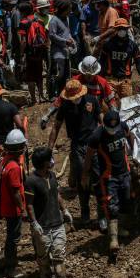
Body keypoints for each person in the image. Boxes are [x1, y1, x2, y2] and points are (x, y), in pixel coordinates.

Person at [49, 80, 101, 224]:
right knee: (81, 179)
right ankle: (85, 213)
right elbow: (56, 126)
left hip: (94, 143)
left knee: (98, 178)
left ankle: (102, 215)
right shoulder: (65, 106)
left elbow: (100, 119)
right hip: (77, 145)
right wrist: (49, 149)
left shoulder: (91, 100)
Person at [83, 110, 134, 254]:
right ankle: (113, 239)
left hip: (124, 172)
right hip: (108, 176)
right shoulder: (96, 136)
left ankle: (121, 228)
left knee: (125, 200)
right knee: (111, 205)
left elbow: (130, 136)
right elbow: (88, 157)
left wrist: (133, 152)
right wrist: (85, 174)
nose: (113, 130)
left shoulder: (123, 127)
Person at [25, 146, 75, 278]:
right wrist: (34, 222)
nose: (52, 161)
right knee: (43, 256)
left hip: (57, 223)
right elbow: (29, 205)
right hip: (42, 226)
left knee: (59, 252)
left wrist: (64, 210)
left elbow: (57, 194)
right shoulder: (31, 181)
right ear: (44, 163)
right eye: (49, 159)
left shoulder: (52, 176)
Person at [0, 129, 27, 278]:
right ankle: (10, 266)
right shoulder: (14, 168)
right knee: (13, 237)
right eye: (22, 146)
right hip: (13, 208)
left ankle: (10, 261)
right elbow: (16, 192)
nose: (24, 148)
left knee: (11, 235)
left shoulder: (5, 161)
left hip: (6, 205)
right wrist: (23, 209)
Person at [96, 18, 140, 102]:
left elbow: (138, 62)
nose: (122, 30)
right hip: (110, 79)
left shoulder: (132, 45)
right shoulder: (108, 44)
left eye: (124, 28)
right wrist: (100, 77)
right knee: (109, 104)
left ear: (127, 29)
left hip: (125, 80)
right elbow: (102, 61)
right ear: (116, 29)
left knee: (126, 105)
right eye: (120, 28)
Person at [21, 0, 50, 104]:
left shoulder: (24, 22)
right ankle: (41, 96)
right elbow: (46, 37)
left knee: (30, 77)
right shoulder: (40, 21)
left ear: (23, 12)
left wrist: (21, 54)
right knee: (39, 75)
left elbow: (24, 41)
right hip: (40, 52)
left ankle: (33, 99)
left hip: (30, 53)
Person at [48, 0, 75, 97]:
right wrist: (65, 41)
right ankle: (53, 95)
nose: (70, 11)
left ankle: (62, 94)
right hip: (57, 53)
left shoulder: (66, 19)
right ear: (63, 9)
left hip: (65, 52)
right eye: (69, 9)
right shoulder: (54, 21)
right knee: (57, 75)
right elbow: (52, 35)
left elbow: (67, 32)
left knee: (65, 75)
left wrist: (72, 40)